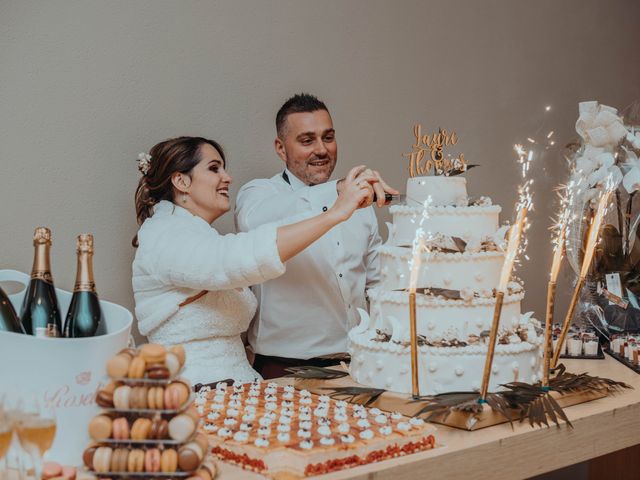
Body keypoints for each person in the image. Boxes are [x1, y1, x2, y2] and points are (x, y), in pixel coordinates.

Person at [131, 136, 378, 385]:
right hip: (192, 393)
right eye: (214, 168)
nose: (227, 177)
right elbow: (235, 258)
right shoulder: (163, 234)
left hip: (241, 386)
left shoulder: (200, 236)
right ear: (181, 180)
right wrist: (334, 214)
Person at [235, 93, 398, 379]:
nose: (322, 150)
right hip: (284, 369)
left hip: (358, 365)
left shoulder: (361, 208)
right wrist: (338, 191)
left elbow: (378, 283)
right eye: (307, 140)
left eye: (328, 137)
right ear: (281, 148)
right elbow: (254, 223)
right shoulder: (259, 195)